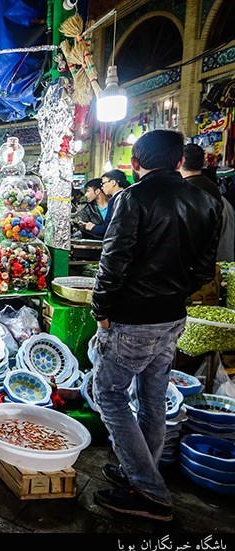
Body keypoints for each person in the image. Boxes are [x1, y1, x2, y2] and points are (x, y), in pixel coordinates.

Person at [91, 130, 221, 521]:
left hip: (132, 317)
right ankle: (141, 470)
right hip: (172, 317)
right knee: (151, 398)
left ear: (135, 163)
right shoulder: (206, 200)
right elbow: (203, 269)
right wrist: (175, 293)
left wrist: (101, 309)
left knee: (109, 395)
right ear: (179, 161)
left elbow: (113, 263)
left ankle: (149, 491)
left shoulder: (131, 198)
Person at [181, 143, 235, 261]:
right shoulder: (221, 198)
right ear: (204, 162)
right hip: (223, 266)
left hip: (203, 270)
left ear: (180, 161)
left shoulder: (183, 198)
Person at [85, 170, 129, 237]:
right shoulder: (128, 197)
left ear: (113, 182)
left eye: (103, 183)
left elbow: (109, 228)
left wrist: (92, 227)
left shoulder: (115, 200)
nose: (102, 187)